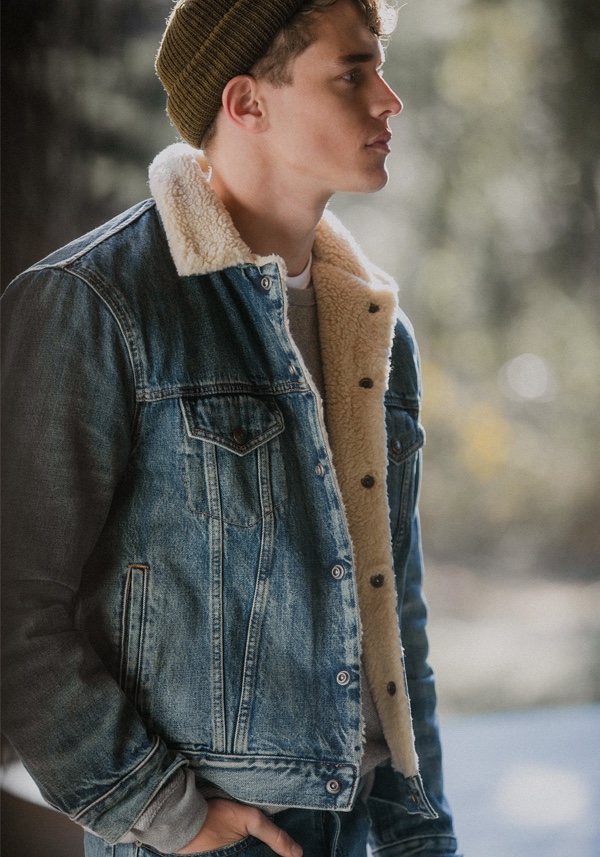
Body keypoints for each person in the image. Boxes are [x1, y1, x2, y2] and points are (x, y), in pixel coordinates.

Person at [1, 1, 460, 855]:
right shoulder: (94, 302)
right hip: (207, 832)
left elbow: (396, 608)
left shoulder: (375, 329)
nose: (389, 100)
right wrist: (164, 811)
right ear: (246, 103)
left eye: (381, 67)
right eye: (353, 73)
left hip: (363, 825)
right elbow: (15, 603)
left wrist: (421, 832)